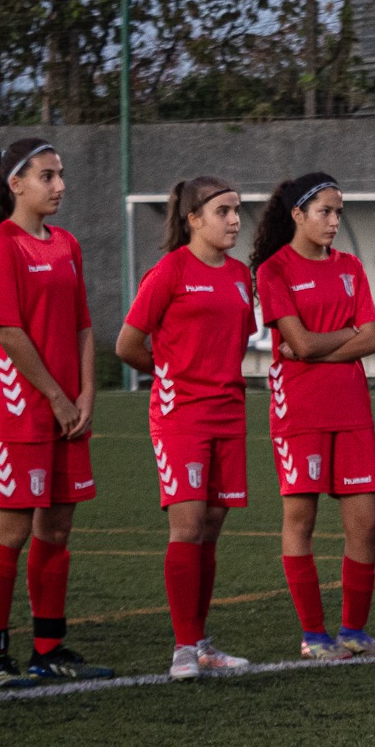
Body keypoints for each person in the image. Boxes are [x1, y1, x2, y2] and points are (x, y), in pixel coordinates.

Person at [0, 139, 110, 687]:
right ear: (16, 185)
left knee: (57, 527)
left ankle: (48, 648)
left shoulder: (67, 244)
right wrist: (55, 395)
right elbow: (7, 331)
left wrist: (86, 396)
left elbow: (82, 326)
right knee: (11, 530)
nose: (60, 186)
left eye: (60, 175)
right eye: (48, 176)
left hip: (67, 413)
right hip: (20, 414)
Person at [115, 177, 256, 680]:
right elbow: (128, 344)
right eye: (223, 211)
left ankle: (201, 641)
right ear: (192, 219)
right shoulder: (169, 271)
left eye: (237, 210)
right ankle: (182, 649)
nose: (235, 220)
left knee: (212, 526)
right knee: (188, 524)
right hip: (180, 415)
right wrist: (171, 373)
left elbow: (235, 339)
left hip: (228, 411)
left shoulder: (242, 275)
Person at [249, 173, 375, 661]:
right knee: (300, 518)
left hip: (351, 407)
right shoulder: (274, 271)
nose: (333, 222)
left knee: (365, 522)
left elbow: (371, 338)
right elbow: (302, 343)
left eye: (338, 213)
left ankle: (353, 630)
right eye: (325, 212)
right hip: (299, 411)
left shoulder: (350, 267)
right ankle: (314, 635)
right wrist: (341, 337)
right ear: (298, 215)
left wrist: (317, 348)